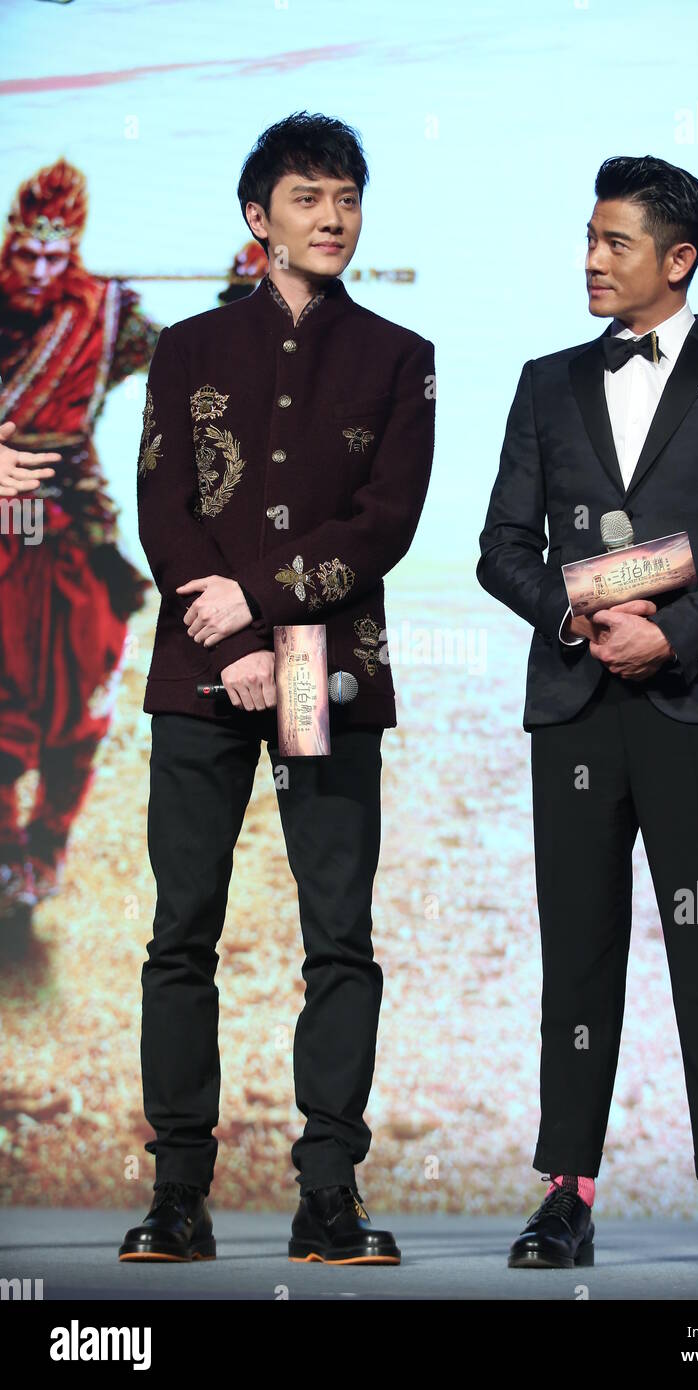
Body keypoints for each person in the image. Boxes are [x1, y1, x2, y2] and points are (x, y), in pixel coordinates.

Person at [119, 112, 436, 1265]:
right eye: (308, 197)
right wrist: (231, 633)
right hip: (202, 664)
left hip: (327, 665)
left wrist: (256, 608)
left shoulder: (401, 355)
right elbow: (164, 505)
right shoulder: (189, 349)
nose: (334, 217)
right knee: (180, 931)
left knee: (338, 937)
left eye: (347, 196)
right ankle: (179, 1195)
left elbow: (384, 523)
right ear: (259, 218)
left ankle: (327, 1197)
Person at [477, 154, 698, 1272]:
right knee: (576, 951)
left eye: (613, 241)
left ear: (677, 257)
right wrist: (577, 623)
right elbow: (500, 547)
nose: (589, 258)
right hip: (573, 704)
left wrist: (675, 630)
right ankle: (563, 1190)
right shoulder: (544, 380)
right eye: (586, 236)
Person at [0, 159, 156, 928]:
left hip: (71, 531)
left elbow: (198, 363)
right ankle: (3, 849)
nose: (37, 271)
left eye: (55, 258)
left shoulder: (105, 316)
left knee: (81, 701)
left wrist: (248, 291)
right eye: (27, 253)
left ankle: (49, 841)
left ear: (75, 253)